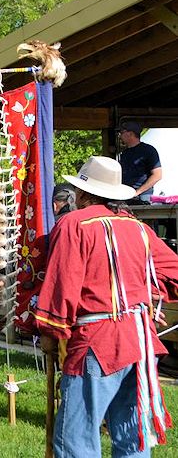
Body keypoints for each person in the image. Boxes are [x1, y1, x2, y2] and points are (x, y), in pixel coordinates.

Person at [35, 156, 178, 457]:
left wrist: (49, 328)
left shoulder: (74, 223)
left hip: (98, 344)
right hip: (139, 343)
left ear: (83, 194)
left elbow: (64, 284)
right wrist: (143, 296)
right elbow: (172, 272)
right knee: (130, 436)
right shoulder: (138, 228)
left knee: (76, 439)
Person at [118, 120, 162, 204]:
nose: (120, 136)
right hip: (126, 195)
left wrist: (137, 192)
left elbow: (157, 175)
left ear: (130, 134)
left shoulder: (148, 150)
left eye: (122, 132)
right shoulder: (125, 153)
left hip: (142, 196)